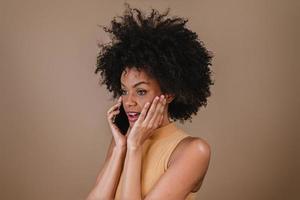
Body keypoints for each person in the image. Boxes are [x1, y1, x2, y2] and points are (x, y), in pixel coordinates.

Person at [86, 3, 214, 200]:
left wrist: (135, 147)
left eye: (141, 91)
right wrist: (121, 147)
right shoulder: (123, 141)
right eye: (124, 91)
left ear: (169, 93)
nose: (128, 102)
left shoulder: (193, 151)